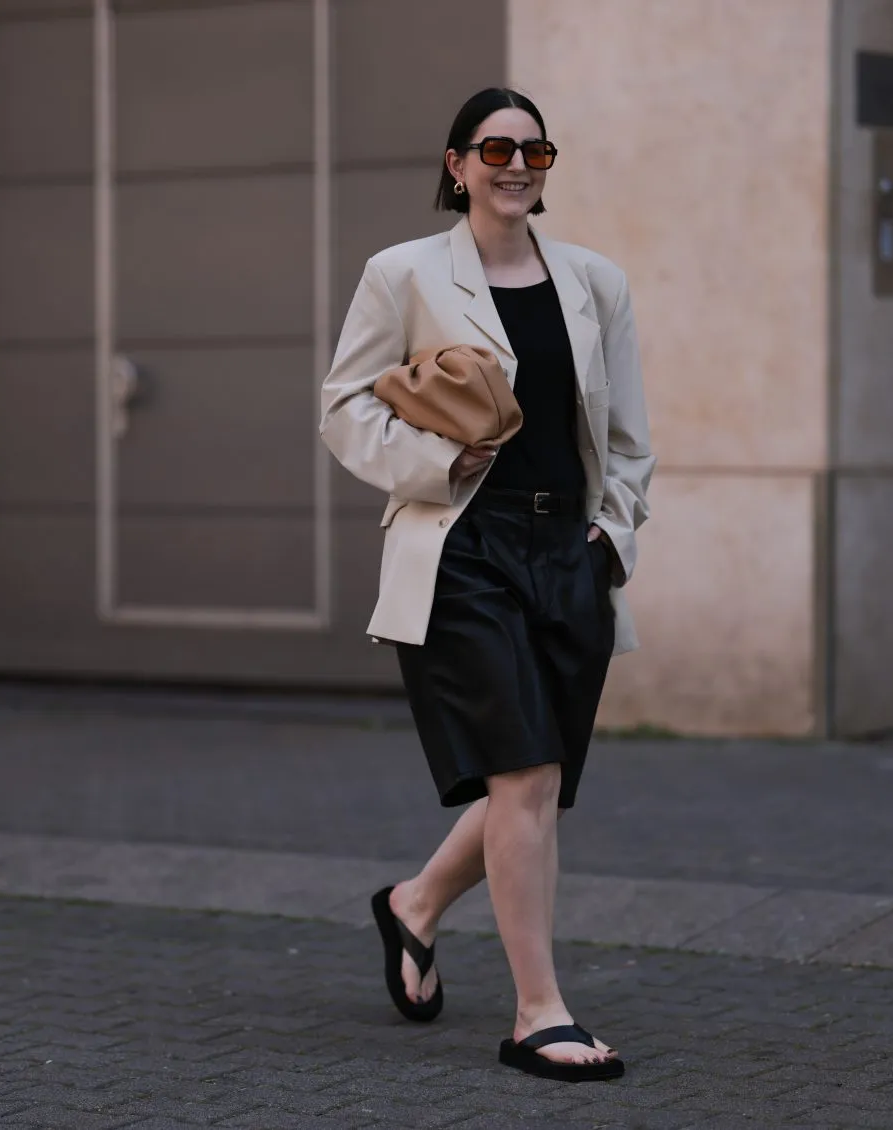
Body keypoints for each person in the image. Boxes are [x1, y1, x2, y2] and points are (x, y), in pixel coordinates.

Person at [319, 87, 654, 1082]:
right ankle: (536, 1011)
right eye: (495, 148)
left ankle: (413, 903)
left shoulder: (595, 282)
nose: (516, 163)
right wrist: (436, 467)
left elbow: (627, 438)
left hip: (567, 555)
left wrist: (609, 537)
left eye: (534, 149)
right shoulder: (404, 271)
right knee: (524, 775)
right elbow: (343, 407)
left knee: (534, 779)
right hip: (461, 547)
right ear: (457, 163)